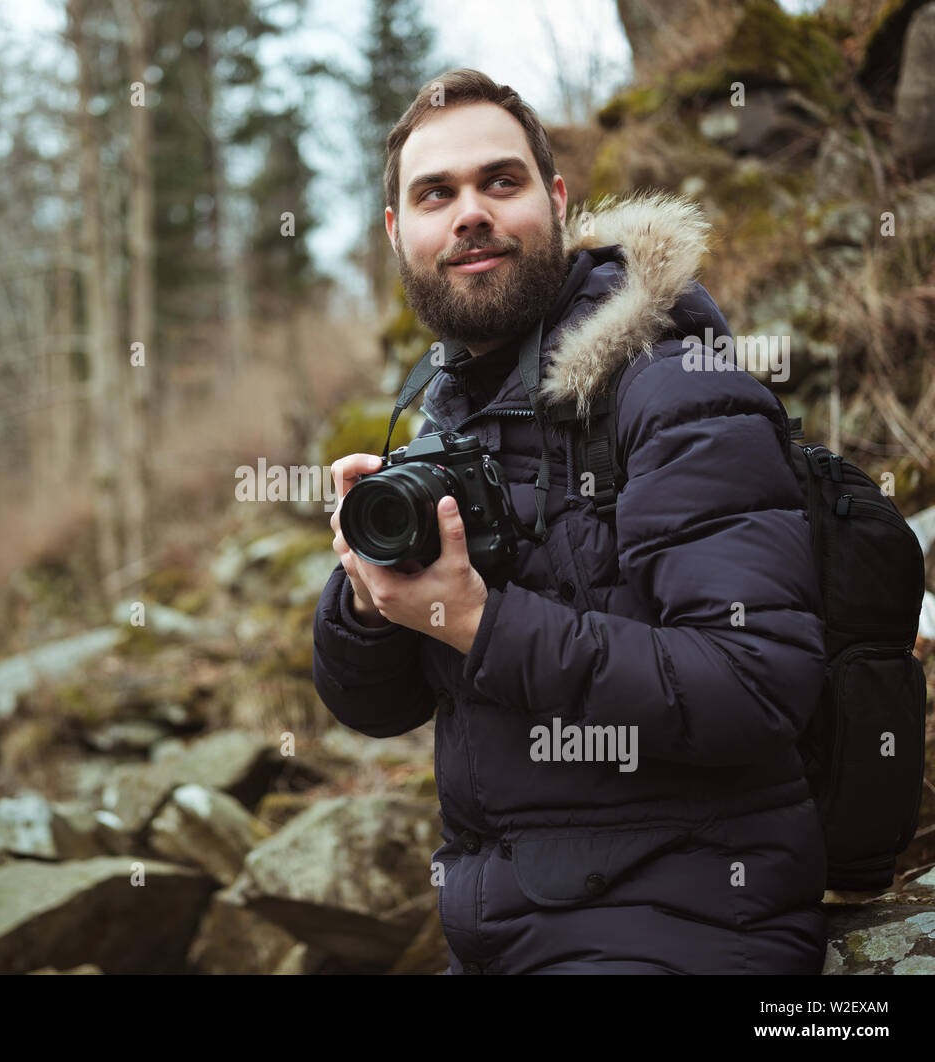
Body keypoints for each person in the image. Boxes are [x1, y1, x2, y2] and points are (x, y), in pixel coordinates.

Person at [311, 68, 828, 974]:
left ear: (555, 202)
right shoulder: (451, 415)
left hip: (689, 919)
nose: (470, 211)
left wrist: (475, 621)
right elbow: (373, 705)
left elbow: (758, 682)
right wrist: (367, 591)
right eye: (436, 194)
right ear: (399, 235)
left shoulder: (675, 380)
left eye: (499, 182)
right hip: (502, 933)